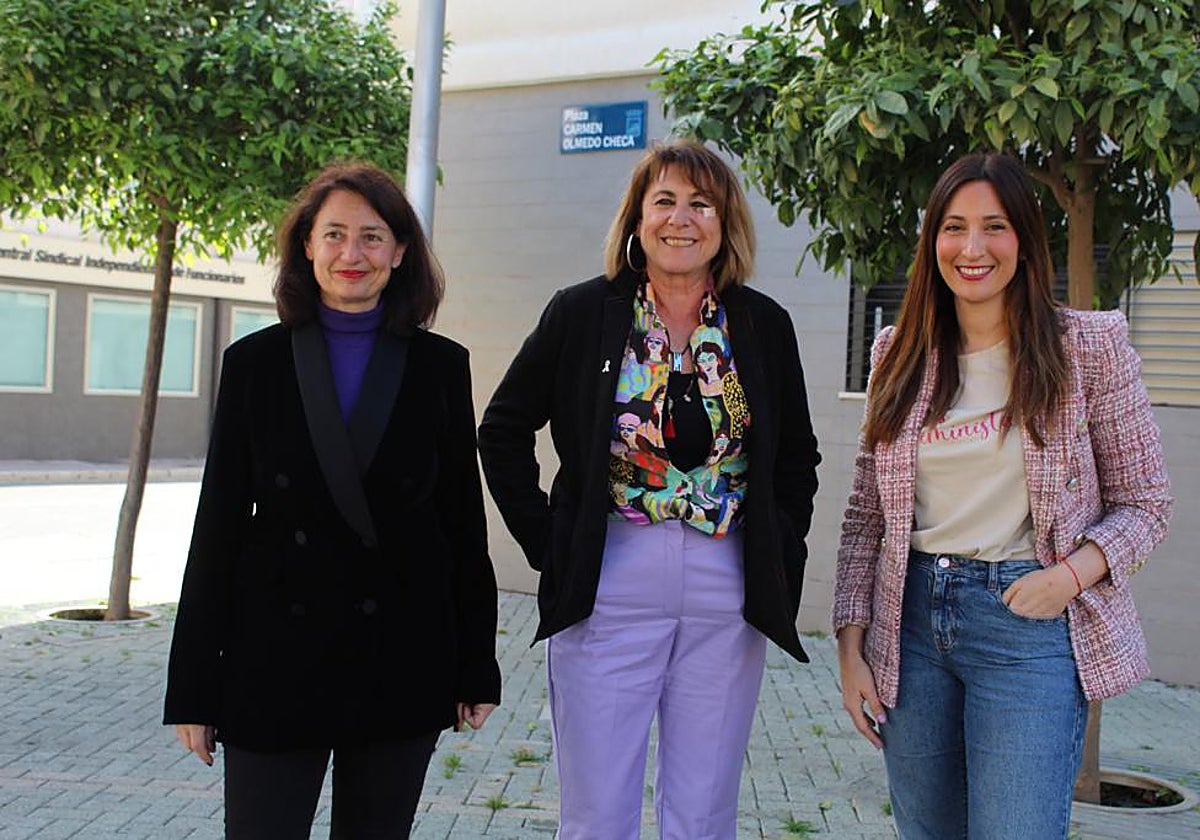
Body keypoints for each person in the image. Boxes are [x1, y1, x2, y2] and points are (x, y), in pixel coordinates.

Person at [477, 138, 821, 839]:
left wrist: (781, 543)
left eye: (702, 203)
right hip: (611, 579)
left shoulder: (760, 326)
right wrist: (551, 543)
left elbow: (796, 456)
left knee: (703, 814)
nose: (681, 218)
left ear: (725, 224)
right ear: (636, 219)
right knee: (598, 812)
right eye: (664, 200)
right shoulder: (582, 313)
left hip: (727, 588)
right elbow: (503, 428)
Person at [833, 152, 1173, 840]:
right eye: (954, 227)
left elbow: (1147, 502)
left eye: (995, 227)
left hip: (1030, 628)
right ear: (934, 243)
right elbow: (866, 517)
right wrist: (850, 649)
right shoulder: (898, 352)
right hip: (913, 627)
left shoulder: (1089, 348)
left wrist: (1069, 577)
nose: (973, 248)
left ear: (1025, 240)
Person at [163, 162, 501, 838]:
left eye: (373, 237)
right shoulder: (254, 363)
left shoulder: (441, 366)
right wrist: (193, 687)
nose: (353, 255)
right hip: (274, 658)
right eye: (335, 235)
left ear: (401, 252)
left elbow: (461, 521)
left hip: (401, 652)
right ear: (306, 247)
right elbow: (219, 525)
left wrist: (477, 664)